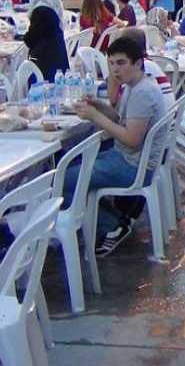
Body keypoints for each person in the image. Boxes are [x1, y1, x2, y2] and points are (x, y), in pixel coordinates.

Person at [64, 36, 167, 255]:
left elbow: (131, 139)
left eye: (121, 63)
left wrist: (94, 116)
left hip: (134, 166)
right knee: (71, 162)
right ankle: (112, 221)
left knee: (64, 178)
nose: (115, 70)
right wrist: (99, 106)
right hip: (130, 158)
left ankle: (110, 225)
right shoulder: (134, 85)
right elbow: (121, 119)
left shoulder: (142, 93)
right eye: (111, 63)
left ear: (138, 63)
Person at [17, 0, 69, 82]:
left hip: (45, 61)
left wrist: (20, 36)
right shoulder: (50, 5)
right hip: (56, 54)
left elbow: (31, 39)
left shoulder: (40, 10)